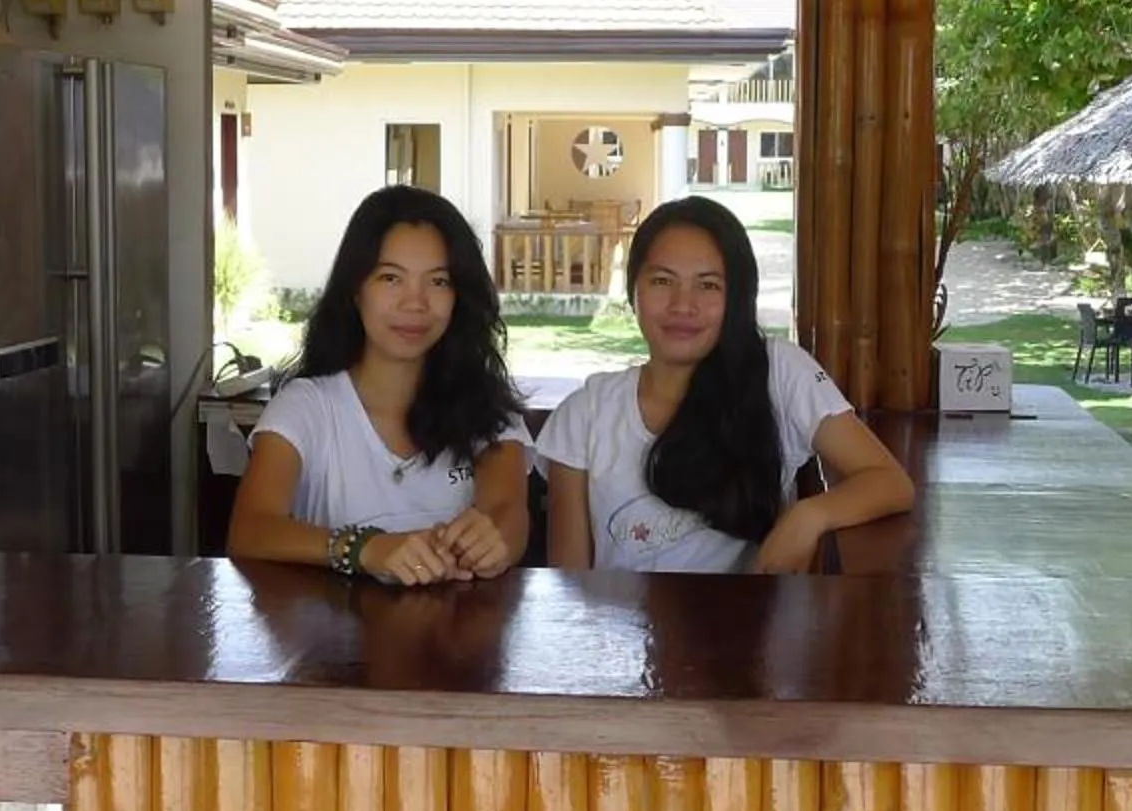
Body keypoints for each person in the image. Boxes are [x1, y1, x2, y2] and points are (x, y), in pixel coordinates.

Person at [539, 197, 913, 572]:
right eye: (662, 281)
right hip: (619, 630)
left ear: (736, 296)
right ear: (633, 291)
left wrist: (810, 515)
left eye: (708, 285)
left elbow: (890, 482)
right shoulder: (585, 412)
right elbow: (569, 587)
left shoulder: (778, 371)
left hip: (748, 627)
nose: (683, 305)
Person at [228, 187, 532, 585]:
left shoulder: (487, 407)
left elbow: (509, 511)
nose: (415, 303)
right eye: (391, 278)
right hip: (333, 643)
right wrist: (365, 548)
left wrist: (496, 543)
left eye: (438, 281)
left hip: (458, 643)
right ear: (356, 290)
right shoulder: (306, 407)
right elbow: (250, 532)